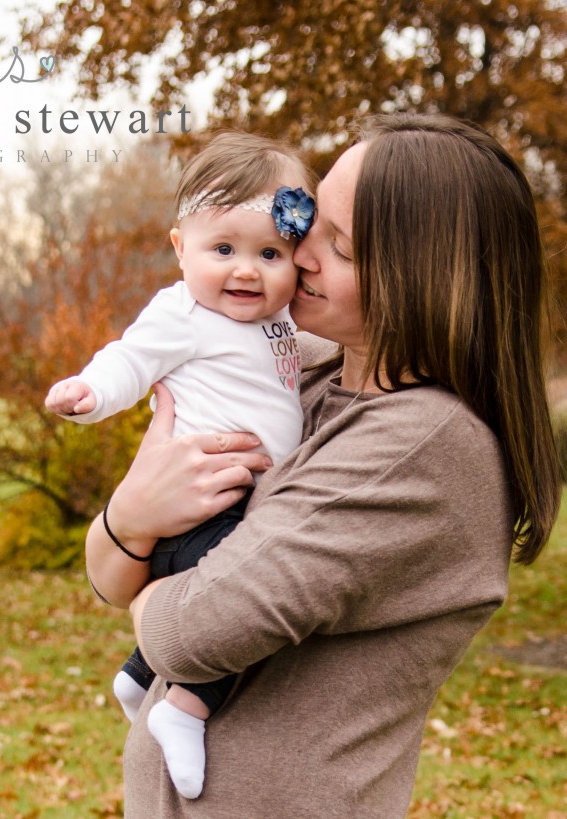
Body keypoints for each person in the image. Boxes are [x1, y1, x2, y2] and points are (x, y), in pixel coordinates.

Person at [85, 113, 562, 817]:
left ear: (419, 277)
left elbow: (187, 632)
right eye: (304, 217)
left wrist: (147, 583)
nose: (296, 249)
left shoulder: (420, 444)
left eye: (336, 245)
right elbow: (105, 568)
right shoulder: (296, 378)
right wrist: (130, 518)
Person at [46, 131, 315, 798]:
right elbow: (129, 359)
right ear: (180, 247)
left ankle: (138, 674)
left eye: (270, 253)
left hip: (235, 502)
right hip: (202, 508)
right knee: (243, 596)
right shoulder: (183, 312)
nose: (246, 270)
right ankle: (185, 705)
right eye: (222, 249)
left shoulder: (277, 325)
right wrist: (90, 392)